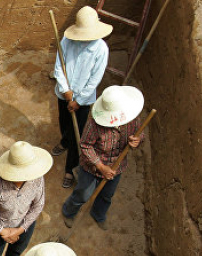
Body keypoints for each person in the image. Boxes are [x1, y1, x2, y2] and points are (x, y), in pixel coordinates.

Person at [62, 85, 145, 230]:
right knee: (83, 194)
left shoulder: (133, 118)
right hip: (92, 168)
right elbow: (85, 145)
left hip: (116, 167)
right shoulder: (94, 124)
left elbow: (139, 134)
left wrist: (136, 140)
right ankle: (68, 212)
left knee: (107, 195)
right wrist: (100, 166)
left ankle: (98, 214)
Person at [51, 6, 112, 189]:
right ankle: (64, 141)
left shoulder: (101, 49)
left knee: (79, 133)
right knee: (64, 122)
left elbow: (95, 80)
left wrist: (78, 101)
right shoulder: (67, 40)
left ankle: (70, 168)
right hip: (64, 94)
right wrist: (65, 91)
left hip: (83, 100)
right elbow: (58, 67)